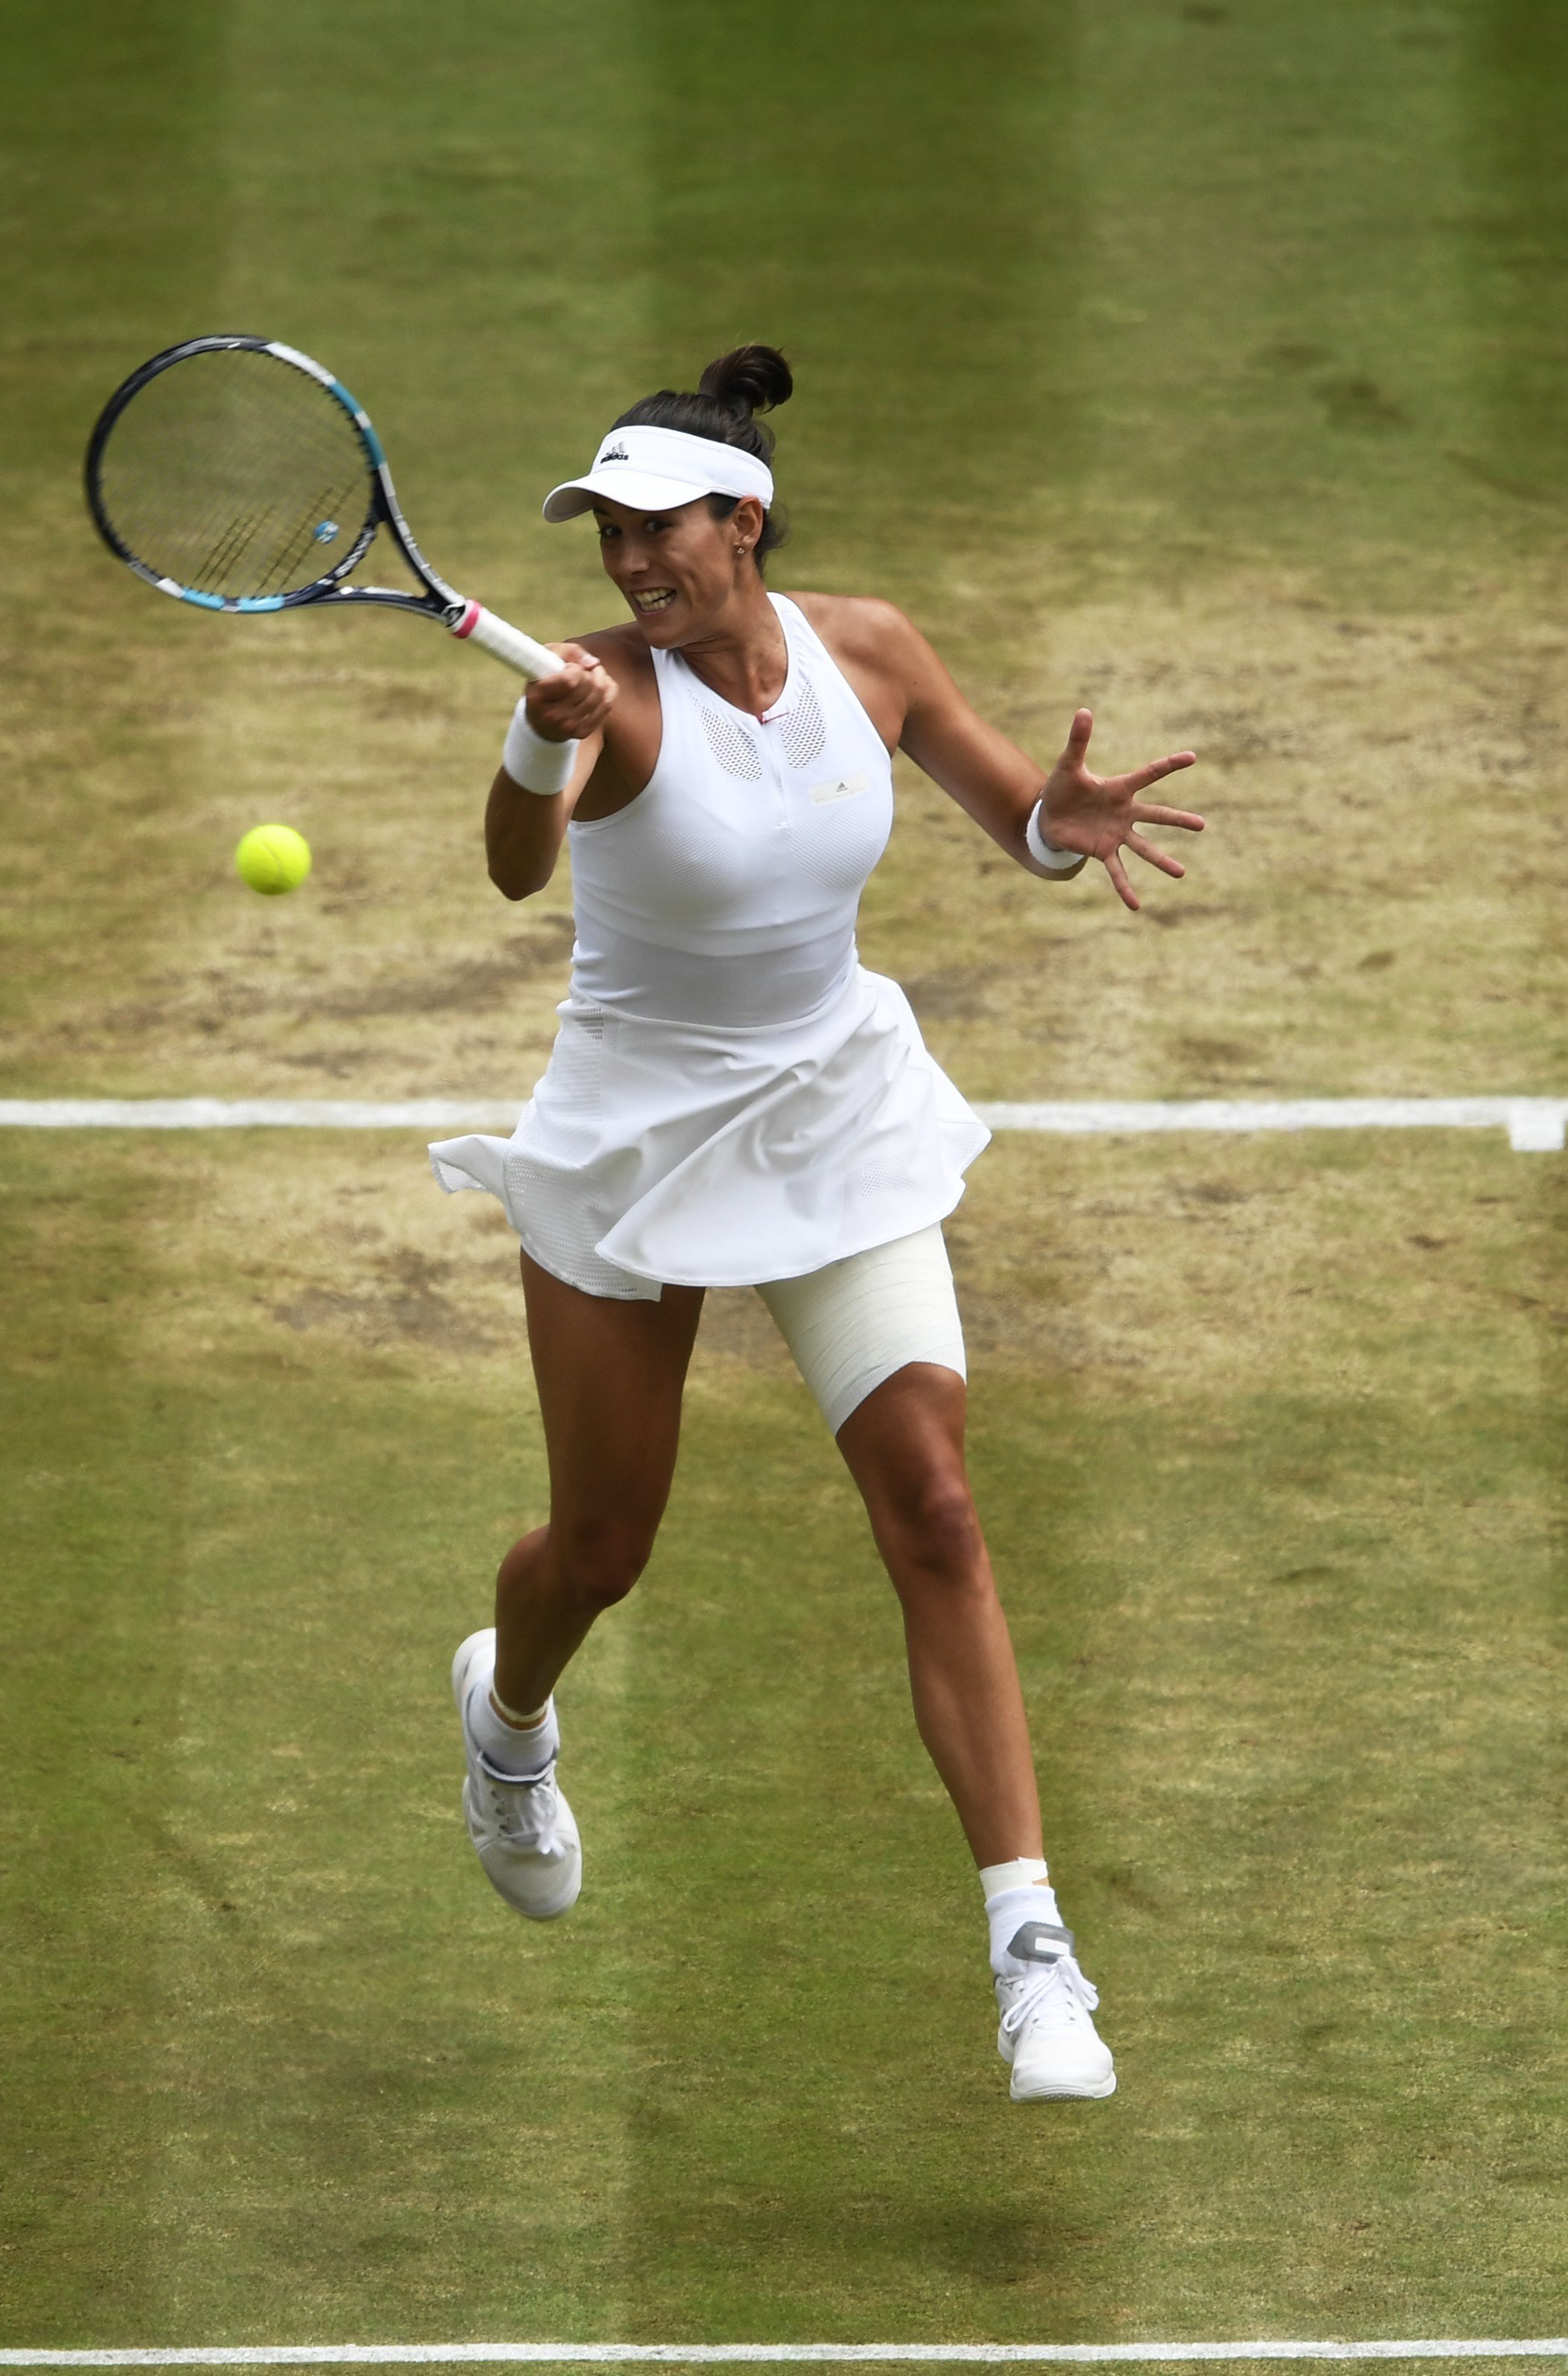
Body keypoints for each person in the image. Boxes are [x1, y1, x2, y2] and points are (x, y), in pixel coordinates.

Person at [428, 346, 1201, 2103]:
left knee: (933, 1498)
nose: (630, 566)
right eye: (609, 538)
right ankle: (508, 1718)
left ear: (744, 522)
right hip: (639, 1136)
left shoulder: (872, 649)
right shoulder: (604, 697)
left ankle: (1032, 1953)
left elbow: (1013, 810)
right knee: (601, 1552)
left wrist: (1056, 827)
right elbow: (510, 874)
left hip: (838, 1102)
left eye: (659, 532)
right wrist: (528, 744)